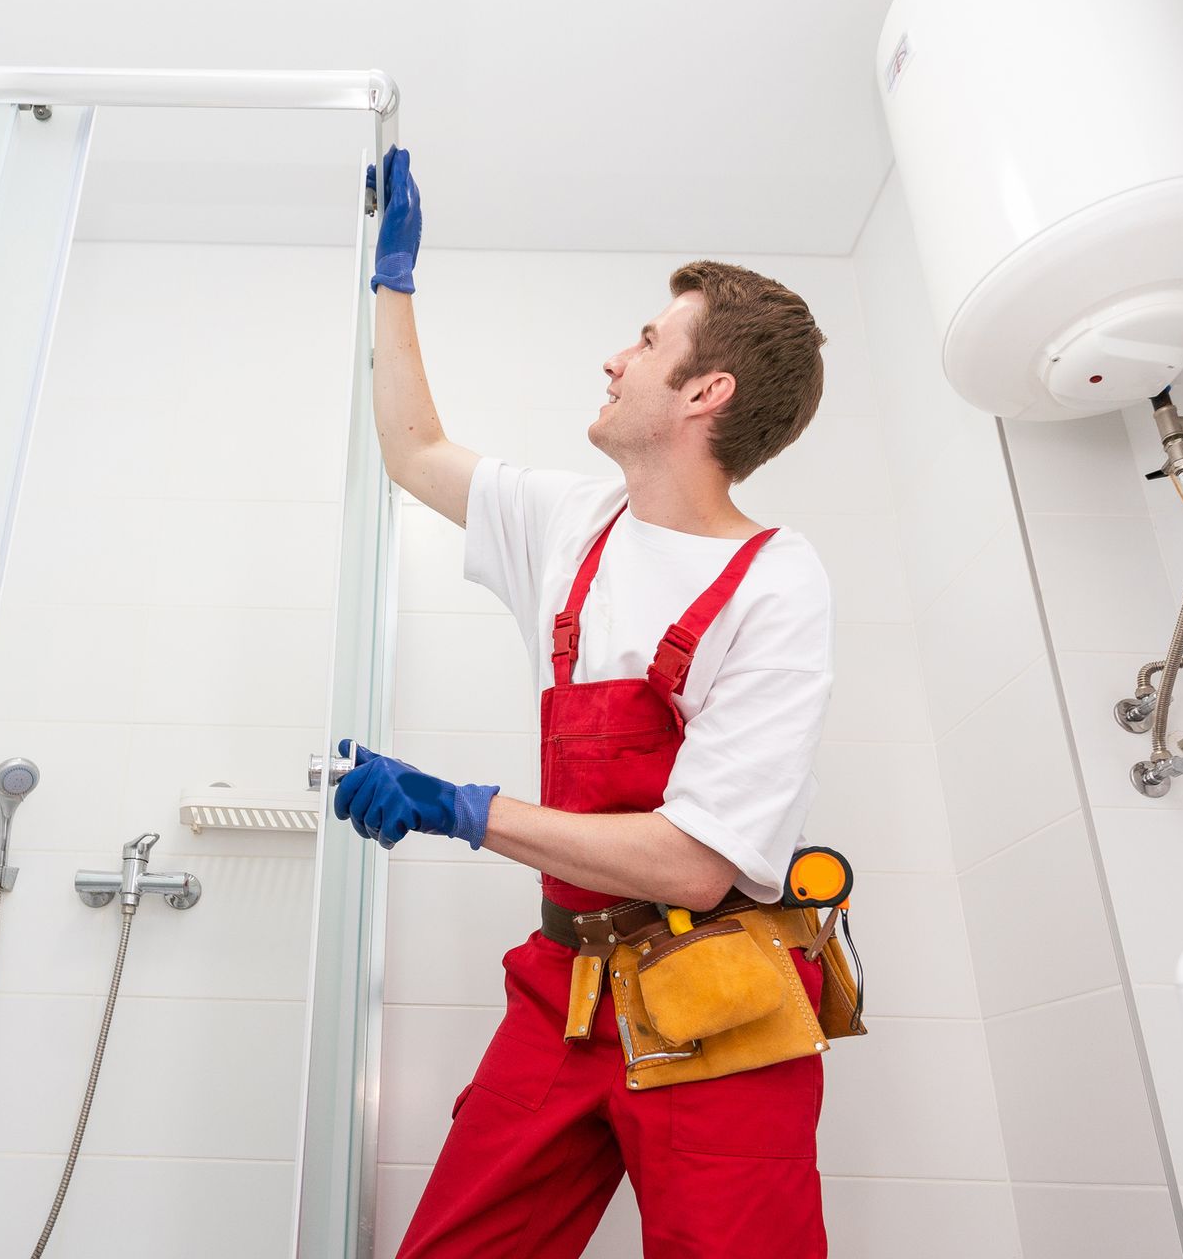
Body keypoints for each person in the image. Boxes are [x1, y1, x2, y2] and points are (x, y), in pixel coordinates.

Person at [335, 146, 837, 1258]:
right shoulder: (571, 523)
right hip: (566, 986)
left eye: (649, 343)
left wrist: (463, 808)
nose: (616, 358)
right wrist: (395, 284)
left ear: (706, 393)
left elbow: (694, 863)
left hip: (721, 999)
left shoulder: (775, 580)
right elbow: (413, 453)